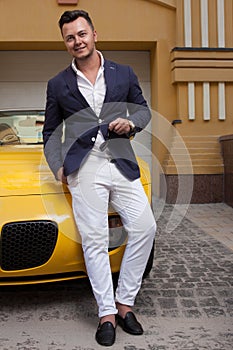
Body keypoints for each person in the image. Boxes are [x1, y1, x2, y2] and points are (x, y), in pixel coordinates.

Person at [43, 10, 156, 347]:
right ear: (66, 43)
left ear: (94, 34)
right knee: (94, 240)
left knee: (145, 227)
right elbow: (51, 131)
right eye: (70, 37)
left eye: (82, 34)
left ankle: (126, 304)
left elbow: (143, 109)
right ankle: (107, 313)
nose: (77, 41)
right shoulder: (57, 84)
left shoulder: (124, 73)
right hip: (83, 166)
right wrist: (58, 167)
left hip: (120, 159)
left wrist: (132, 124)